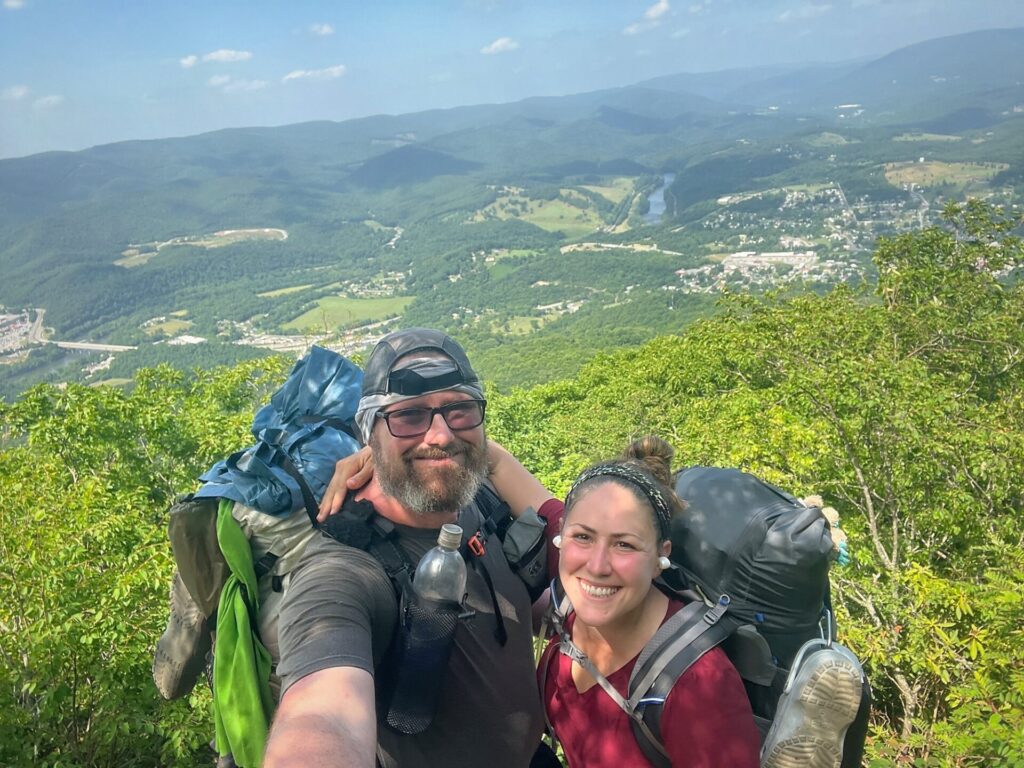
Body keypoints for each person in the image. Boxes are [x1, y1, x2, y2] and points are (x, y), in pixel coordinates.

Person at [263, 328, 554, 768]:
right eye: (408, 416)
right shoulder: (343, 571)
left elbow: (531, 608)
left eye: (459, 410)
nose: (439, 435)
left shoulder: (480, 501)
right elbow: (324, 719)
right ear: (369, 435)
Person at [517, 437, 761, 768]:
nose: (598, 566)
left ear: (662, 555)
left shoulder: (699, 688)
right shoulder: (569, 612)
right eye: (583, 537)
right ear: (561, 535)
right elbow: (507, 471)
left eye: (625, 545)